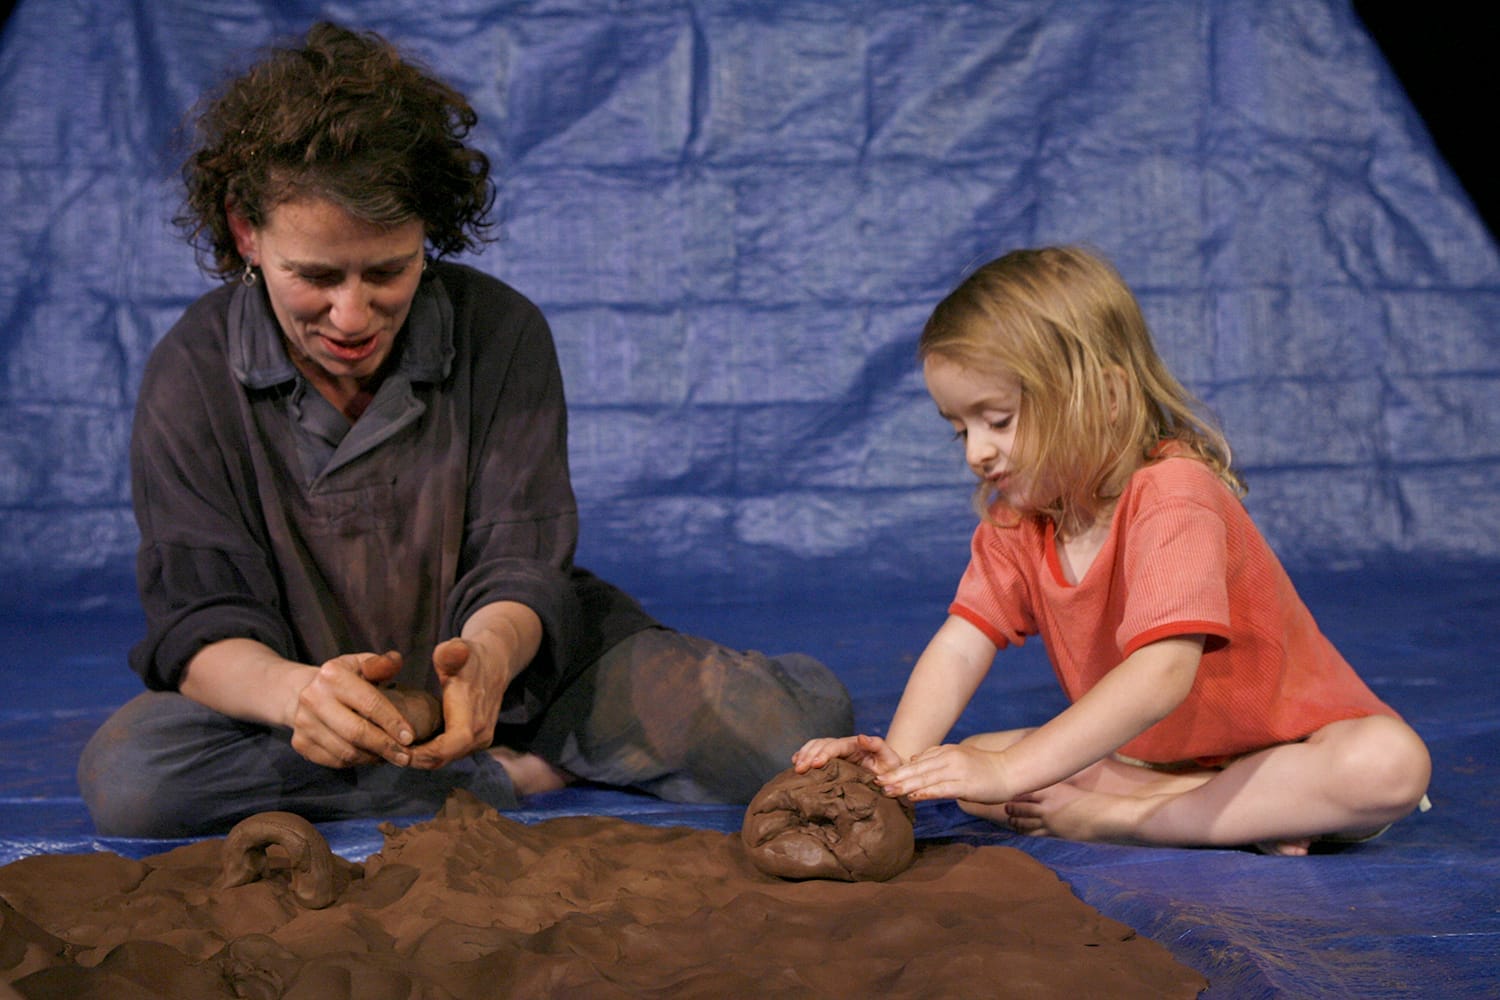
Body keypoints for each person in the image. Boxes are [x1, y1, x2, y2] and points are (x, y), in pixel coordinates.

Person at [77, 22, 852, 838]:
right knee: (135, 781)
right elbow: (202, 618)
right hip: (301, 691)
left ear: (427, 238)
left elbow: (523, 563)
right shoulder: (192, 371)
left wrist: (484, 661)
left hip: (515, 671)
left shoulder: (500, 332)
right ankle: (500, 776)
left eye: (388, 271)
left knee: (789, 736)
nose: (351, 315)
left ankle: (460, 755)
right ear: (246, 232)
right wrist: (298, 696)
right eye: (315, 277)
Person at [794, 245, 1431, 855]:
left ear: (1105, 396)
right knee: (968, 773)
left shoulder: (1175, 493)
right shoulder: (1018, 520)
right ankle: (1214, 808)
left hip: (1295, 750)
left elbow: (1161, 675)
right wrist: (900, 769)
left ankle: (1133, 820)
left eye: (999, 419)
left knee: (1389, 764)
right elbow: (961, 645)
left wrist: (1012, 769)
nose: (976, 453)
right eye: (960, 429)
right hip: (1150, 760)